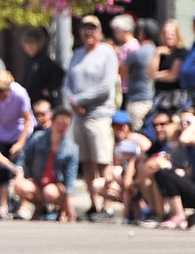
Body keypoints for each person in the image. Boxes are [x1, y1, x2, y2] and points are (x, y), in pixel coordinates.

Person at [64, 14, 119, 221]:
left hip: (99, 114)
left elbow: (106, 87)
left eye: (93, 28)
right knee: (86, 161)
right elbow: (67, 81)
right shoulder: (77, 54)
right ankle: (94, 204)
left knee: (104, 161)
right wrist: (73, 101)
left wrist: (80, 100)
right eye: (85, 28)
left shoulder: (107, 53)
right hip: (79, 116)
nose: (89, 32)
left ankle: (108, 205)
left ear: (99, 31)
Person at [153, 107, 195, 229]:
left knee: (166, 174)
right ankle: (163, 214)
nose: (185, 125)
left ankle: (180, 217)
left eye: (188, 122)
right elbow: (190, 173)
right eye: (182, 123)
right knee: (161, 173)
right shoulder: (192, 147)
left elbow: (185, 138)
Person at [13, 106, 78, 221]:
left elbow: (70, 176)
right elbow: (23, 156)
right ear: (52, 122)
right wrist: (19, 173)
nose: (62, 127)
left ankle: (60, 208)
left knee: (50, 191)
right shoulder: (38, 138)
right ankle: (40, 207)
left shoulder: (71, 148)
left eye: (65, 124)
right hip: (38, 183)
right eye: (59, 123)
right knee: (20, 186)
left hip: (56, 186)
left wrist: (69, 202)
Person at [0, 69, 32, 217]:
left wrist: (20, 143)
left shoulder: (19, 93)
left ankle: (24, 205)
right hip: (1, 134)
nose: (0, 94)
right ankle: (4, 204)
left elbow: (27, 119)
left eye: (3, 90)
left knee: (22, 169)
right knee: (2, 170)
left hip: (19, 132)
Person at [123, 18, 158, 131]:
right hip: (152, 99)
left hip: (137, 102)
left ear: (142, 33)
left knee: (137, 134)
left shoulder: (138, 53)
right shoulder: (155, 50)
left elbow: (122, 71)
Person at [148, 18, 188, 115]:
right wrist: (156, 54)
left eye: (172, 33)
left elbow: (172, 76)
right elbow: (149, 72)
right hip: (159, 95)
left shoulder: (181, 52)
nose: (169, 36)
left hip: (174, 97)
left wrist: (155, 75)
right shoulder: (160, 51)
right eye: (166, 33)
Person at [19, 26, 65, 108]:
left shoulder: (44, 60)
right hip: (30, 102)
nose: (28, 46)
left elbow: (60, 74)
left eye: (32, 42)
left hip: (42, 104)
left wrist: (48, 89)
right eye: (26, 42)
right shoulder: (29, 60)